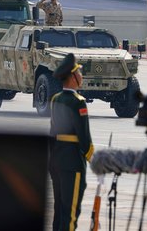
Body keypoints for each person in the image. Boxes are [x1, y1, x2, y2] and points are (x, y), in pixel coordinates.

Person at [49, 53, 94, 231]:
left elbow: (52, 133)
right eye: (79, 73)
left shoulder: (56, 99)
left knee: (59, 210)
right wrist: (93, 159)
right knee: (70, 212)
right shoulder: (78, 102)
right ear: (73, 77)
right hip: (73, 162)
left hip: (56, 161)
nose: (81, 76)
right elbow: (84, 138)